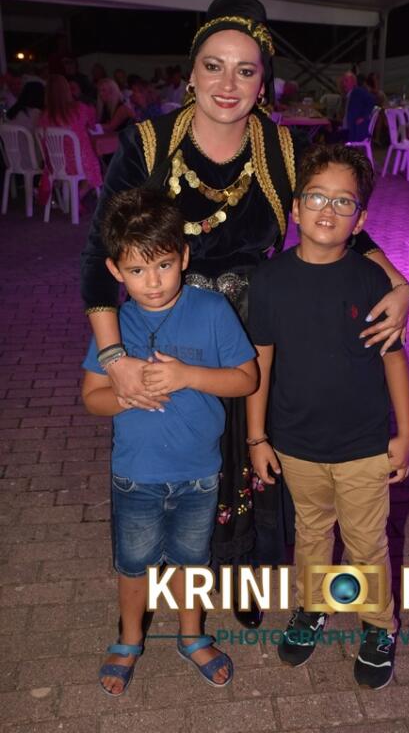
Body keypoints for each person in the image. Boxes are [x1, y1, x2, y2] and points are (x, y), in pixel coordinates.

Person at [81, 0, 409, 626]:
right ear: (191, 73)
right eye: (213, 66)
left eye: (245, 70)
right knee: (182, 446)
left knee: (255, 455)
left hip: (258, 326)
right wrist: (114, 354)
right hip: (174, 326)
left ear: (264, 82)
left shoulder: (281, 149)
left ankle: (245, 579)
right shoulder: (148, 144)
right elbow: (99, 250)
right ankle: (180, 580)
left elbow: (336, 217)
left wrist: (400, 284)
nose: (227, 84)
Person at [246, 143, 409, 689]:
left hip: (364, 444)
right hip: (296, 441)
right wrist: (256, 436)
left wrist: (406, 433)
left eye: (344, 202)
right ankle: (312, 607)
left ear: (360, 220)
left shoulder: (371, 280)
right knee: (312, 531)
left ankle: (378, 625)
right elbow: (261, 360)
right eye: (316, 197)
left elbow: (394, 360)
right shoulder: (269, 281)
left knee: (366, 543)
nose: (328, 209)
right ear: (295, 208)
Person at [82, 188, 257, 696]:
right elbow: (91, 397)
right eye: (137, 270)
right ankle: (129, 639)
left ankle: (191, 635)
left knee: (192, 561)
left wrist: (187, 376)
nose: (153, 282)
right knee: (133, 565)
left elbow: (246, 379)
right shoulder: (115, 326)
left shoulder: (212, 310)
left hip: (198, 474)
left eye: (163, 265)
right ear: (115, 271)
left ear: (183, 255)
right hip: (136, 474)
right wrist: (125, 394)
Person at [38, 74, 102, 198]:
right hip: (79, 162)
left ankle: (70, 199)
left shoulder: (43, 116)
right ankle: (77, 198)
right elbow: (92, 125)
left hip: (55, 164)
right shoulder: (80, 109)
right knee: (93, 165)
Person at [345, 74, 376, 142]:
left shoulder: (358, 92)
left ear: (354, 82)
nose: (344, 84)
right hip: (352, 129)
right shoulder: (352, 93)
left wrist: (364, 116)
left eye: (346, 81)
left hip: (356, 130)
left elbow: (371, 99)